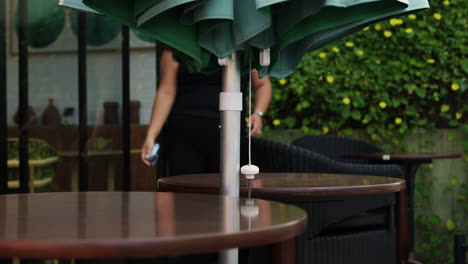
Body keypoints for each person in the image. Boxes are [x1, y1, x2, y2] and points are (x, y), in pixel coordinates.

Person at [141, 48, 272, 176]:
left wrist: (258, 113)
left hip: (230, 134)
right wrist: (151, 135)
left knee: (229, 190)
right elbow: (166, 92)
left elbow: (262, 84)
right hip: (183, 136)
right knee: (186, 191)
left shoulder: (240, 45)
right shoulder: (177, 44)